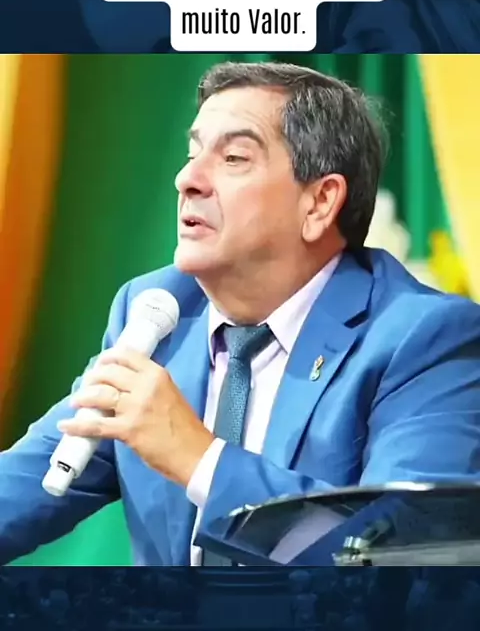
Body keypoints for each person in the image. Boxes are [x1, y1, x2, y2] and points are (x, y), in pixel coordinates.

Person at [0, 60, 479, 567]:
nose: (187, 179)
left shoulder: (424, 340)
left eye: (233, 157)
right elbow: (21, 487)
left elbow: (404, 560)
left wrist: (199, 459)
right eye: (192, 154)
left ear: (320, 202)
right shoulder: (158, 315)